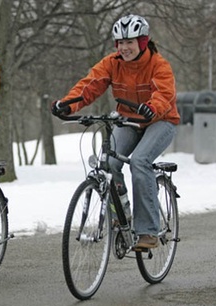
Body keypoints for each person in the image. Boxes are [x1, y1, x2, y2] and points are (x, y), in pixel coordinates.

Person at [51, 14, 180, 250]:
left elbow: (164, 94)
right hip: (129, 120)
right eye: (120, 43)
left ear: (142, 42)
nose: (125, 47)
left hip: (161, 121)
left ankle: (147, 231)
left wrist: (152, 108)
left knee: (139, 161)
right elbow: (89, 86)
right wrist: (67, 105)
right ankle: (122, 217)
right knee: (108, 164)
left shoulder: (158, 65)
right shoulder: (112, 63)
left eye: (130, 42)